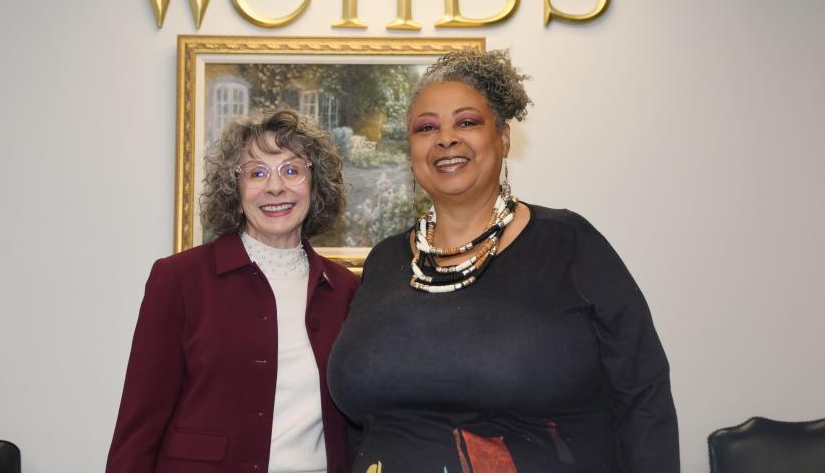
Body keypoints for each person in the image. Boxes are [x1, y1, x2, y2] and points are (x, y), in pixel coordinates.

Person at [327, 50, 679, 473]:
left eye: (467, 122)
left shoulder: (568, 244)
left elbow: (644, 398)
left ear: (504, 137)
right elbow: (361, 426)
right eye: (426, 128)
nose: (445, 138)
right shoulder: (385, 261)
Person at [107, 109, 360, 473]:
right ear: (234, 188)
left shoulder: (346, 289)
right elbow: (140, 425)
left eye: (292, 170)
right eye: (257, 173)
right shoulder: (179, 279)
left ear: (315, 184)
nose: (276, 187)